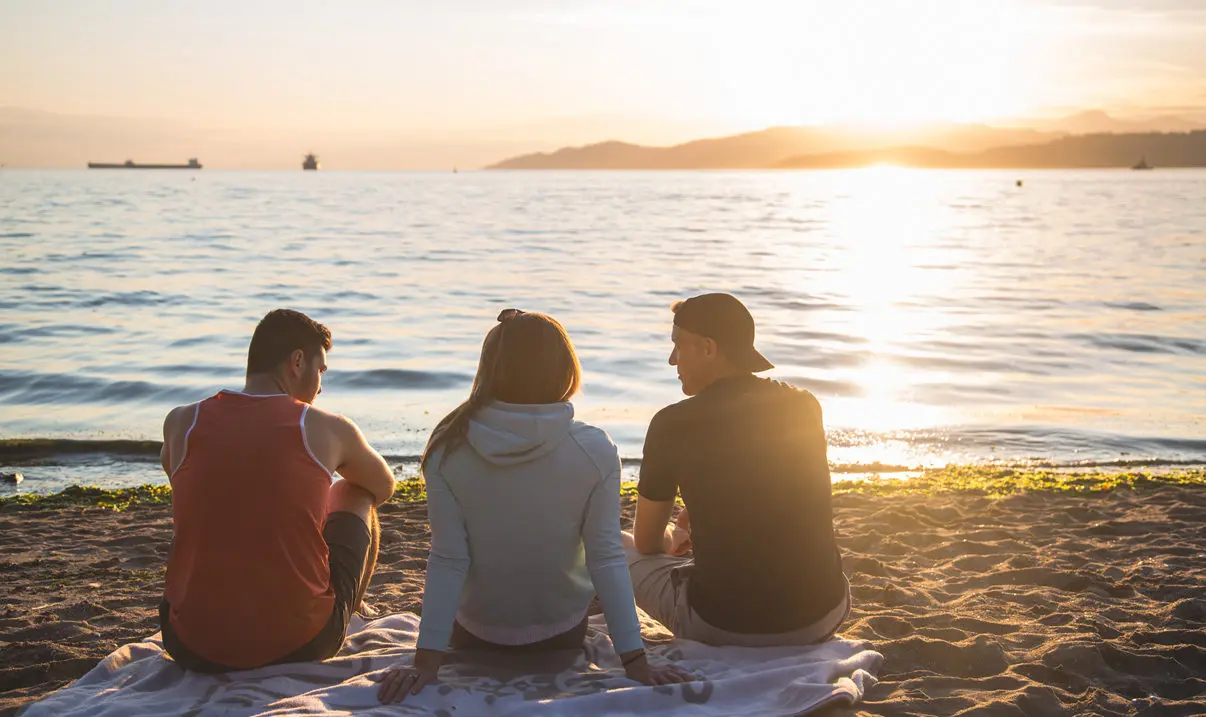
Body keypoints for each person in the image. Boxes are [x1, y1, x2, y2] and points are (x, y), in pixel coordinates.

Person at [377, 309, 692, 704]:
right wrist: (635, 660)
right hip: (560, 633)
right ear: (565, 368)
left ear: (490, 368)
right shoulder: (595, 449)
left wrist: (425, 663)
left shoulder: (447, 447)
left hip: (474, 633)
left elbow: (448, 558)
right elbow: (606, 556)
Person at [159, 308, 395, 672]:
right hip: (301, 642)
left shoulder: (181, 422)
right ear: (297, 362)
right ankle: (351, 607)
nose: (320, 386)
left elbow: (179, 476)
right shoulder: (325, 427)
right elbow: (382, 485)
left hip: (188, 643)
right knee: (353, 490)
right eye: (321, 372)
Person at [625, 293, 850, 647]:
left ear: (708, 348)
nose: (672, 360)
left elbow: (648, 542)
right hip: (823, 614)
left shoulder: (673, 423)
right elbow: (773, 489)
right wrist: (697, 513)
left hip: (723, 625)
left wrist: (673, 535)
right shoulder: (803, 406)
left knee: (617, 546)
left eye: (678, 346)